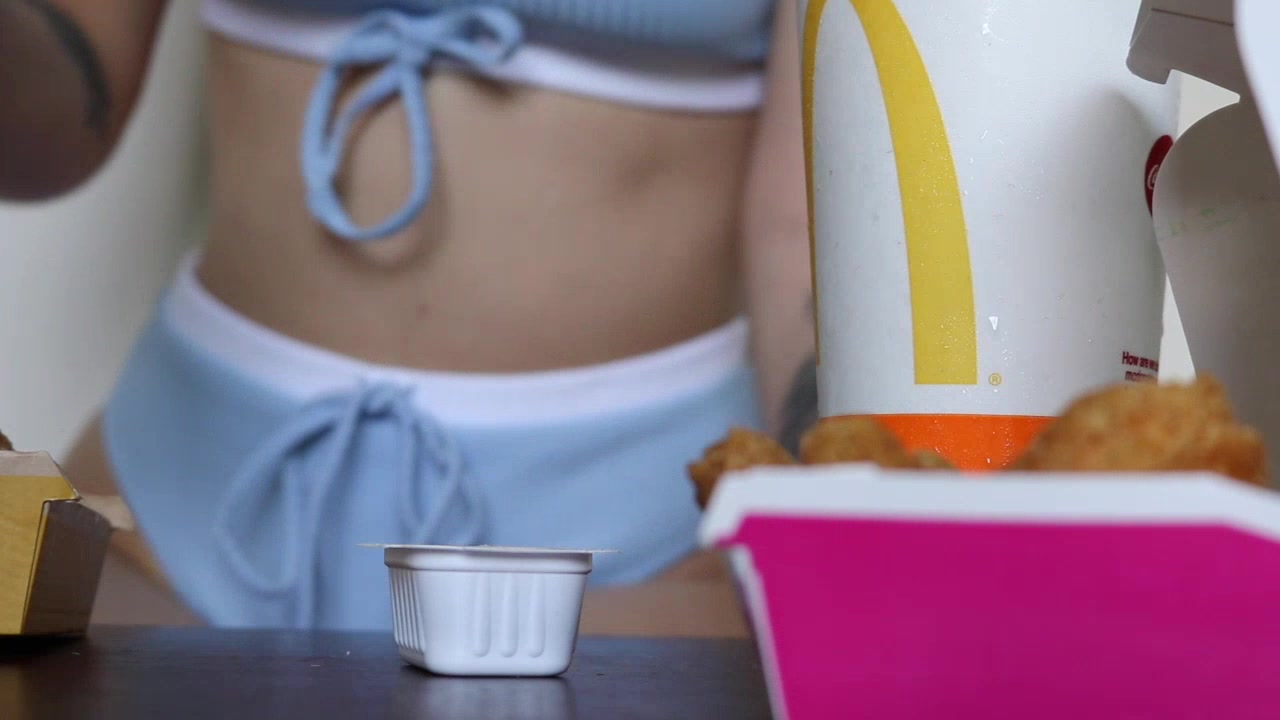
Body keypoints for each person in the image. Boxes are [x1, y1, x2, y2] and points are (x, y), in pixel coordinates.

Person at [0, 0, 816, 634]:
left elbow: (812, 228)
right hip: (174, 497)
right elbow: (66, 101)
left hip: (639, 534)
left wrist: (831, 502)